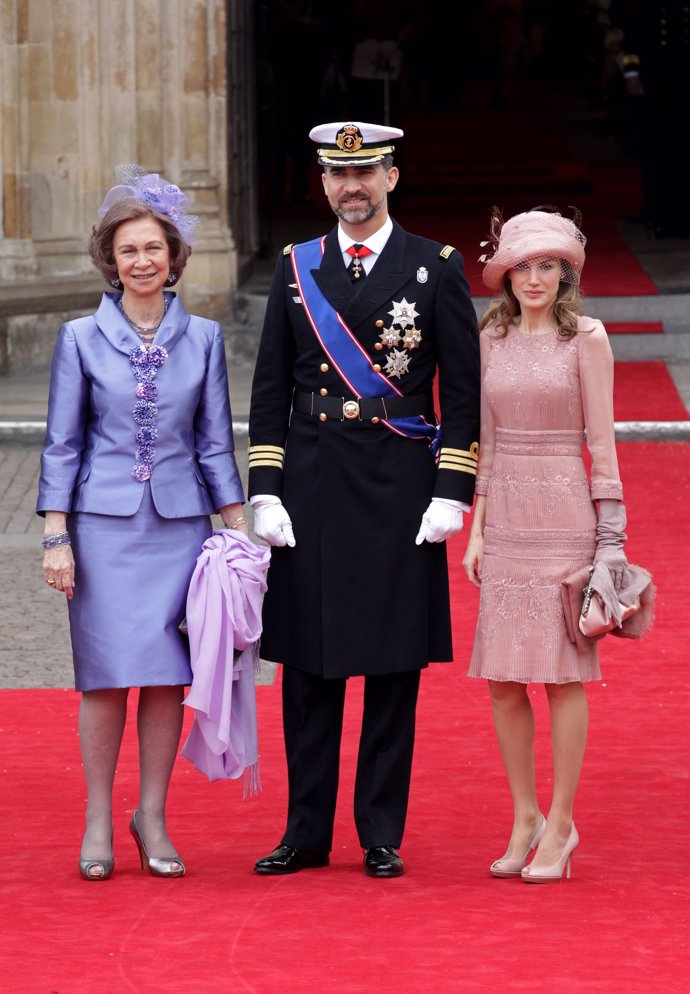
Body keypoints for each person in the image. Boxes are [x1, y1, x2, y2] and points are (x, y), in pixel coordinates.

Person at [247, 121, 480, 877]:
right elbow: (270, 387)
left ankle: (381, 831)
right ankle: (305, 831)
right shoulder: (295, 268)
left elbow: (464, 396)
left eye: (367, 173)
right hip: (311, 484)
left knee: (391, 666)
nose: (352, 187)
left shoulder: (434, 267)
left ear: (391, 178)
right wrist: (265, 488)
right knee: (308, 670)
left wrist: (452, 487)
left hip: (396, 485)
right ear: (323, 183)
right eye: (338, 175)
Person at [36, 165, 247, 880]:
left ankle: (151, 815)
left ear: (174, 255)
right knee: (104, 678)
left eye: (154, 248)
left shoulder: (207, 338)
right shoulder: (79, 338)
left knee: (165, 678)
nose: (142, 262)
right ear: (110, 260)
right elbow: (62, 444)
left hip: (183, 529)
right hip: (101, 531)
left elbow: (216, 441)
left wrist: (236, 530)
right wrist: (56, 536)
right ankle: (98, 816)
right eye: (128, 251)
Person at [463, 206, 631, 882]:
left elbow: (603, 443)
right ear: (506, 274)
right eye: (522, 266)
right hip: (505, 516)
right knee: (503, 680)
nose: (534, 278)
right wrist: (476, 529)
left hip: (566, 514)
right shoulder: (493, 334)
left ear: (567, 273)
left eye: (548, 266)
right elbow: (488, 438)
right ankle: (525, 815)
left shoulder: (586, 337)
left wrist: (611, 542)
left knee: (562, 678)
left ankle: (562, 824)